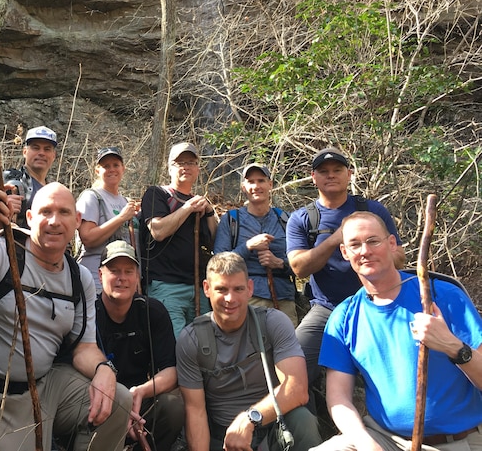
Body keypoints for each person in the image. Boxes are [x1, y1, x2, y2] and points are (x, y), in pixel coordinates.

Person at [0, 182, 130, 451]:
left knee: (118, 399)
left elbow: (85, 348)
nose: (54, 221)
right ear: (30, 218)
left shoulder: (79, 277)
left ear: (77, 221)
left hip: (46, 386)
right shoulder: (2, 253)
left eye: (64, 213)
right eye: (45, 212)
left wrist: (105, 370)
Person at [311, 212, 482, 451]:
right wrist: (364, 442)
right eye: (355, 244)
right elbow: (338, 398)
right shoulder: (344, 316)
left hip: (454, 442)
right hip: (385, 439)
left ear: (392, 244)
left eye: (373, 241)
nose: (364, 251)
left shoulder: (442, 296)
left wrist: (452, 346)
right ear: (344, 252)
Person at [176, 252, 321, 451]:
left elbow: (297, 390)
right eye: (221, 289)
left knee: (303, 420)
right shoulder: (191, 339)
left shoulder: (273, 322)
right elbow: (195, 412)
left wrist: (250, 419)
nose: (230, 298)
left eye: (238, 289)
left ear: (250, 289)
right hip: (224, 439)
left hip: (273, 430)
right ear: (207, 289)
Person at [286, 147, 405, 385]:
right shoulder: (303, 219)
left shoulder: (372, 211)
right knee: (294, 363)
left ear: (349, 174)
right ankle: (302, 417)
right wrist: (335, 239)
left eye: (337, 170)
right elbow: (298, 268)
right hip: (326, 309)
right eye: (324, 171)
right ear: (313, 177)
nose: (331, 175)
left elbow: (399, 258)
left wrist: (366, 247)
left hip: (378, 305)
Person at [96, 239, 184, 451]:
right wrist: (120, 405)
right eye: (114, 271)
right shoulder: (89, 312)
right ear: (100, 275)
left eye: (128, 271)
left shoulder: (152, 311)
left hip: (140, 400)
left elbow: (171, 371)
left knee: (174, 407)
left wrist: (141, 392)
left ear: (137, 276)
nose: (122, 278)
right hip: (99, 399)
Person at [140, 142, 218, 338]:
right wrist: (187, 208)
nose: (186, 167)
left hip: (198, 288)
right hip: (166, 286)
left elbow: (216, 242)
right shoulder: (157, 194)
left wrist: (209, 212)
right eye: (179, 162)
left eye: (191, 162)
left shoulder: (200, 204)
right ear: (169, 168)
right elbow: (158, 231)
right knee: (176, 347)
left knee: (205, 347)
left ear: (198, 169)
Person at [214, 163, 298, 326]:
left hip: (284, 300)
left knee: (288, 350)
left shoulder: (287, 220)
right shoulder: (231, 220)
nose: (256, 186)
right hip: (245, 299)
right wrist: (248, 247)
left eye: (261, 180)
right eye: (251, 182)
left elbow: (303, 264)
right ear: (244, 187)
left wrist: (279, 263)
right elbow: (218, 265)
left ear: (270, 184)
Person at [76, 146, 140, 291]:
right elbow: (88, 238)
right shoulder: (91, 197)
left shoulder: (126, 201)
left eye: (116, 165)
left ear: (123, 168)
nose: (112, 169)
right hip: (95, 281)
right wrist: (122, 217)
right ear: (97, 170)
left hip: (125, 284)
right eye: (106, 166)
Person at [3, 126, 58, 228]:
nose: (41, 153)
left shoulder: (55, 191)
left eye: (47, 149)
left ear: (53, 155)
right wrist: (3, 204)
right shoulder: (10, 180)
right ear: (25, 152)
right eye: (35, 148)